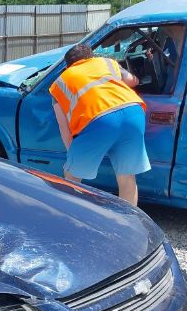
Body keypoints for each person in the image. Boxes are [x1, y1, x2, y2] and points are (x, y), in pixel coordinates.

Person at [50, 43, 149, 206]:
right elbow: (133, 81)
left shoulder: (61, 82)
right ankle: (129, 224)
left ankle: (73, 218)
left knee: (73, 178)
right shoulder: (107, 63)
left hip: (98, 118)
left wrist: (73, 154)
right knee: (127, 177)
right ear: (91, 57)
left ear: (68, 65)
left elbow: (63, 126)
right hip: (134, 112)